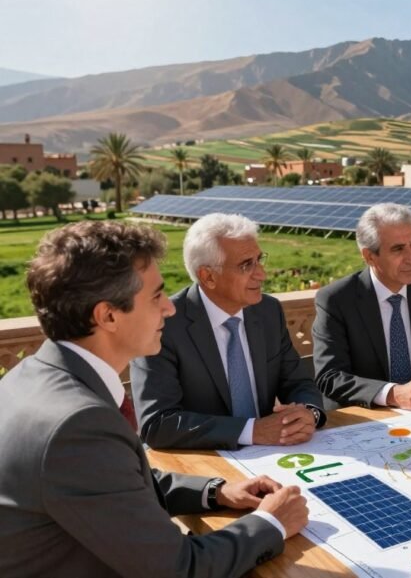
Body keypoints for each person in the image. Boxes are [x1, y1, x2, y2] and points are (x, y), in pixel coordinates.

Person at [0, 221, 308, 576]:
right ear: (108, 315)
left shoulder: (32, 376)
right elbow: (178, 568)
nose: (170, 309)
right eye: (156, 296)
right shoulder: (77, 424)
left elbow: (115, 482)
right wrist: (272, 523)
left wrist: (216, 491)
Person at [131, 213, 325, 450]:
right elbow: (158, 423)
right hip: (204, 466)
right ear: (208, 276)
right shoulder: (163, 325)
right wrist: (252, 431)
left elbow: (297, 382)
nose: (261, 274)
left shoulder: (268, 311)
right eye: (247, 265)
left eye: (259, 259)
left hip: (273, 455)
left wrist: (309, 413)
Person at [313, 203, 411, 409]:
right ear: (369, 256)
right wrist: (393, 394)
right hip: (365, 421)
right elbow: (330, 377)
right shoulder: (336, 299)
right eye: (398, 249)